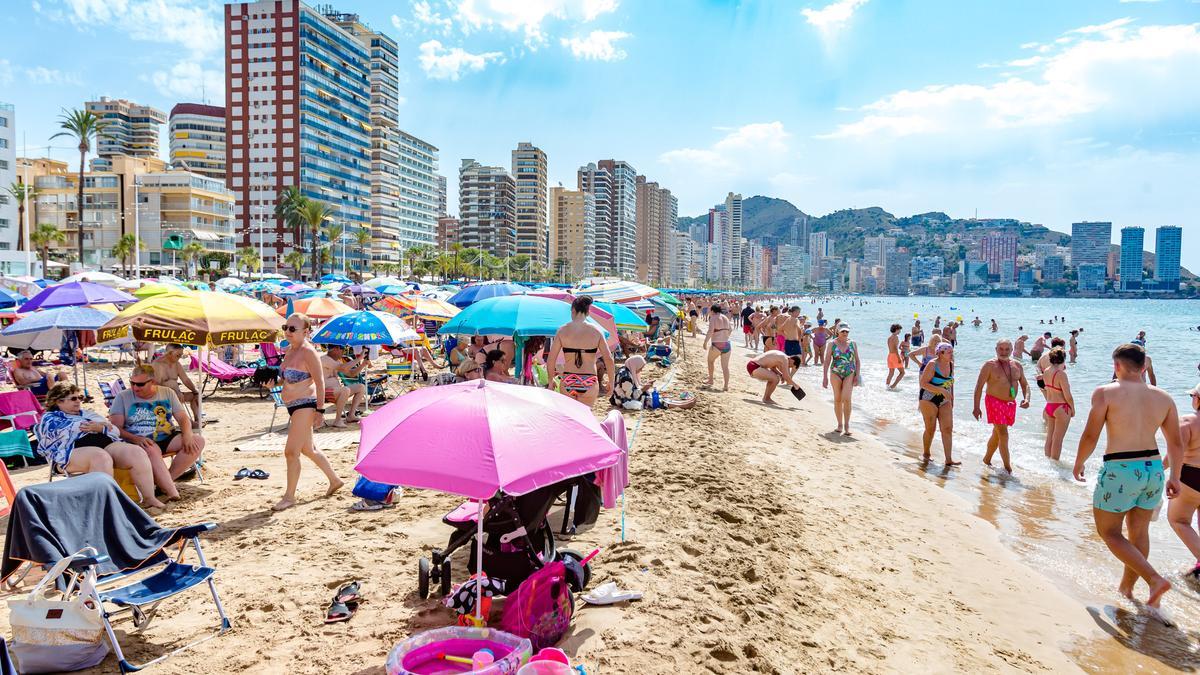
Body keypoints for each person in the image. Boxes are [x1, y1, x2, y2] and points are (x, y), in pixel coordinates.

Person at [1074, 344, 1182, 611]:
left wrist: (1078, 462)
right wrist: (1175, 477)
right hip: (1154, 469)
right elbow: (1176, 444)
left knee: (1108, 532)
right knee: (1139, 531)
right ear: (1144, 367)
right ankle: (1127, 588)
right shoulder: (1164, 397)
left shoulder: (1105, 392)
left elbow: (1090, 435)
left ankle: (1154, 580)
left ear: (1116, 366)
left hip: (1121, 469)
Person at [35, 383, 165, 510]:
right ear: (58, 401)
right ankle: (107, 506)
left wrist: (100, 427)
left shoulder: (86, 413)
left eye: (79, 397)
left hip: (104, 445)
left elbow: (114, 430)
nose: (78, 401)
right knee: (100, 456)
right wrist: (100, 426)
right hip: (69, 454)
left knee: (136, 452)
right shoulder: (49, 418)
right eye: (73, 398)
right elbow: (71, 430)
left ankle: (149, 498)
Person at [272, 313, 344, 511]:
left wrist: (320, 410)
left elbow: (320, 382)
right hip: (292, 405)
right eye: (285, 327)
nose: (287, 332)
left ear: (305, 332)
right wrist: (273, 382)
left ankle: (289, 497)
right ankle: (335, 480)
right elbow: (285, 378)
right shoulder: (289, 350)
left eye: (292, 329)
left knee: (291, 452)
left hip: (306, 404)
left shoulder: (308, 352)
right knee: (308, 449)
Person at [109, 364, 204, 502]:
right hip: (138, 439)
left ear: (152, 382)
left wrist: (188, 435)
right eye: (132, 383)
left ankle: (164, 482)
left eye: (140, 384)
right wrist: (135, 438)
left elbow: (183, 418)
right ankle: (172, 492)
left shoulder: (167, 392)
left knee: (198, 441)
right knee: (151, 449)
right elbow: (116, 428)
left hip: (166, 435)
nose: (135, 387)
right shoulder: (122, 397)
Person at [972, 339, 1029, 473]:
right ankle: (1008, 469)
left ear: (1011, 350)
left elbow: (1025, 384)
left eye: (1007, 349)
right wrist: (976, 407)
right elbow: (979, 387)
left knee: (997, 434)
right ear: (996, 349)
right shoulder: (989, 365)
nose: (1004, 352)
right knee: (1003, 434)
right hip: (993, 401)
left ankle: (987, 459)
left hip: (1010, 404)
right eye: (1001, 349)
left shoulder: (1017, 365)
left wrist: (1026, 399)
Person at [547, 295, 614, 406]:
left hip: (568, 379)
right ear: (588, 312)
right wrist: (611, 382)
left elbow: (551, 359)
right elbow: (608, 359)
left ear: (573, 310)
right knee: (585, 419)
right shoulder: (596, 331)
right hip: (589, 380)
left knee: (570, 420)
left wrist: (550, 381)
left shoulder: (562, 331)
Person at [1168, 383, 1200, 580]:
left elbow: (1175, 451)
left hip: (1191, 477)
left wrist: (1167, 473)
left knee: (1179, 521)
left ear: (1197, 399)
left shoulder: (1188, 421)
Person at [918, 343, 958, 465]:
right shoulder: (932, 364)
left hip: (945, 399)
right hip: (928, 398)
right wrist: (941, 390)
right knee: (931, 429)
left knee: (947, 428)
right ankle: (926, 453)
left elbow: (951, 382)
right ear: (941, 353)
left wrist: (952, 398)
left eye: (952, 352)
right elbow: (923, 383)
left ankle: (948, 459)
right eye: (949, 353)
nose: (952, 355)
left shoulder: (951, 364)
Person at [610, 356, 697, 410]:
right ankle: (683, 405)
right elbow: (631, 396)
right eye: (640, 368)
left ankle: (680, 403)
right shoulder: (626, 377)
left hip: (626, 398)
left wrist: (644, 386)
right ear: (635, 365)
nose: (640, 370)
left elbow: (633, 390)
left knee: (656, 397)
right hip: (624, 401)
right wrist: (644, 388)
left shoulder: (626, 370)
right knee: (653, 400)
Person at [822, 325, 860, 436]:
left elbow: (857, 360)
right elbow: (827, 360)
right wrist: (825, 377)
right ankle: (839, 424)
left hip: (850, 372)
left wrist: (857, 375)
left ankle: (847, 425)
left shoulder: (853, 344)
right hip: (835, 373)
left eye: (847, 331)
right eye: (843, 331)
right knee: (838, 399)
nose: (845, 333)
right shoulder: (831, 344)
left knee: (846, 399)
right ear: (838, 331)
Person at [152, 344, 202, 423]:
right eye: (178, 355)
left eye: (181, 355)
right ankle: (188, 423)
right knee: (177, 398)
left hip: (177, 394)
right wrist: (174, 393)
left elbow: (185, 380)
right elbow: (156, 386)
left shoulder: (176, 364)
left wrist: (195, 391)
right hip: (163, 396)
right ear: (170, 353)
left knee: (196, 396)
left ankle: (198, 420)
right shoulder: (157, 364)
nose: (179, 358)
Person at [321, 344, 368, 426]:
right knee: (345, 389)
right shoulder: (324, 359)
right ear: (336, 349)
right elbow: (343, 368)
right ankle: (337, 420)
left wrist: (363, 364)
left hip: (336, 391)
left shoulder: (337, 361)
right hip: (323, 392)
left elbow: (351, 374)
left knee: (361, 387)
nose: (343, 352)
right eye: (343, 349)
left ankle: (351, 415)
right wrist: (359, 358)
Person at [1042, 347, 1075, 461]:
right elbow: (1068, 396)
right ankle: (1055, 465)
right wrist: (1073, 409)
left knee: (1050, 436)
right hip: (1061, 407)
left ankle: (1048, 462)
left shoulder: (1046, 371)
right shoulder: (1061, 374)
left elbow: (1046, 388)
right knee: (1058, 439)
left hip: (1049, 406)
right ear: (1063, 359)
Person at [702, 305, 733, 391]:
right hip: (727, 344)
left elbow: (710, 331)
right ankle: (726, 386)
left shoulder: (713, 318)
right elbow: (730, 330)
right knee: (725, 367)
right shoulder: (725, 318)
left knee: (710, 361)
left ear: (712, 311)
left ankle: (711, 380)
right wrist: (725, 336)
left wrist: (705, 342)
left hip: (717, 344)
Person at [885, 323, 905, 389]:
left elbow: (890, 347)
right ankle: (893, 386)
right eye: (899, 330)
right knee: (902, 372)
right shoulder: (896, 337)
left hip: (889, 356)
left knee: (891, 372)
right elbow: (895, 349)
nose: (900, 331)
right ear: (896, 329)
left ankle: (887, 386)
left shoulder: (889, 338)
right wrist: (899, 358)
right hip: (894, 356)